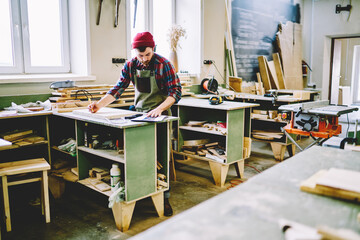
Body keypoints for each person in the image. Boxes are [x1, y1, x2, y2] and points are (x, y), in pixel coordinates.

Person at [88, 32, 181, 216]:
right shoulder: (131, 65)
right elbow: (118, 89)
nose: (144, 59)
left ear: (153, 48)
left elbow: (176, 93)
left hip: (160, 116)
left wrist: (159, 109)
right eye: (140, 55)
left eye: (147, 54)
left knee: (161, 157)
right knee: (138, 156)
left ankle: (164, 197)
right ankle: (139, 189)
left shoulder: (164, 64)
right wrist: (98, 105)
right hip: (139, 114)